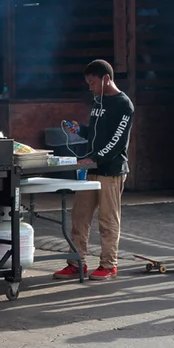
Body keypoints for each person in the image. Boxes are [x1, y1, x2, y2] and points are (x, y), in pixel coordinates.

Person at [55, 60, 134, 281]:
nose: (90, 87)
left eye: (92, 82)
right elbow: (96, 133)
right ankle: (76, 262)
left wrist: (95, 158)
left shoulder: (124, 104)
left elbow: (117, 141)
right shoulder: (97, 101)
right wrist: (80, 130)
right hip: (92, 168)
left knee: (108, 220)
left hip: (111, 171)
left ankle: (109, 265)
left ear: (106, 79)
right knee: (80, 218)